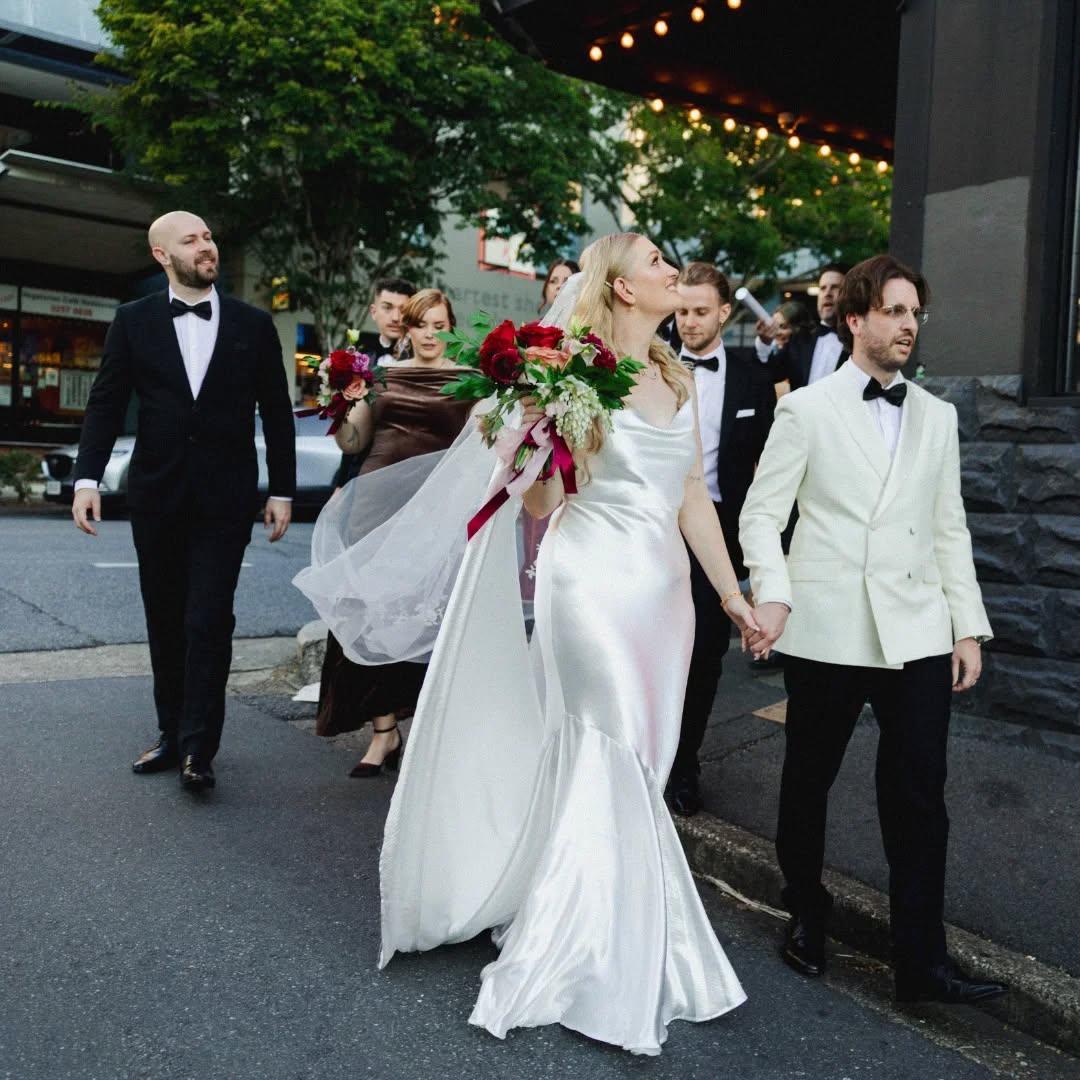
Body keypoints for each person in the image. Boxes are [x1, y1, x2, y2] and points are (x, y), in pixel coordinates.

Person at [368, 233, 758, 1054]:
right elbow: (542, 504)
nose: (671, 273)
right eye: (656, 263)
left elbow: (691, 495)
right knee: (607, 745)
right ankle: (590, 945)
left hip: (664, 597)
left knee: (644, 756)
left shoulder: (676, 377)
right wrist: (540, 427)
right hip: (590, 586)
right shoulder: (572, 373)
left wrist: (731, 594)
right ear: (622, 288)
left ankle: (601, 911)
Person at [739, 254, 1007, 1005]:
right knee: (809, 780)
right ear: (855, 319)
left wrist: (966, 627)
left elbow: (948, 526)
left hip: (917, 628)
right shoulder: (806, 410)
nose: (908, 325)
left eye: (915, 313)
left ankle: (922, 964)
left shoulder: (937, 416)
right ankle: (806, 911)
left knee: (920, 794)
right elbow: (761, 515)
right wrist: (774, 596)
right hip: (826, 627)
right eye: (894, 311)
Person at [71, 210, 296, 792]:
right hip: (157, 495)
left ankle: (199, 748)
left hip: (226, 498)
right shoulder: (133, 320)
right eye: (191, 240)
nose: (206, 247)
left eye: (209, 237)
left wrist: (282, 489)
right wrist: (87, 479)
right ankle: (171, 734)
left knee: (208, 619)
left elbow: (277, 412)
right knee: (166, 619)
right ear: (162, 255)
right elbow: (105, 402)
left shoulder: (253, 324)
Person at [314, 288, 473, 776]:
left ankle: (426, 732)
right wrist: (341, 399)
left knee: (428, 621)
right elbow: (353, 441)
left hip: (436, 514)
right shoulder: (381, 378)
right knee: (367, 617)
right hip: (375, 507)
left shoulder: (473, 381)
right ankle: (383, 732)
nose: (430, 334)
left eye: (439, 325)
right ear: (407, 329)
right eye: (420, 325)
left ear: (451, 328)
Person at [666, 261, 777, 817]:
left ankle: (683, 764)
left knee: (705, 655)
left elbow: (769, 468)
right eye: (681, 311)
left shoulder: (755, 378)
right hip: (655, 529)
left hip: (720, 534)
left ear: (725, 313)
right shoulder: (650, 368)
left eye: (700, 312)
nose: (688, 322)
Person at [332, 276, 416, 491]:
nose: (396, 317)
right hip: (360, 474)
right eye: (387, 307)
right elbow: (352, 425)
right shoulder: (359, 359)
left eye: (403, 309)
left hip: (408, 475)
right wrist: (341, 483)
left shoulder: (422, 360)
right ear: (373, 311)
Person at [754, 264, 848, 390]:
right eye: (822, 288)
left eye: (835, 287)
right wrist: (764, 343)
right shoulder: (800, 340)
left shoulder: (859, 342)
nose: (827, 293)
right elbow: (768, 375)